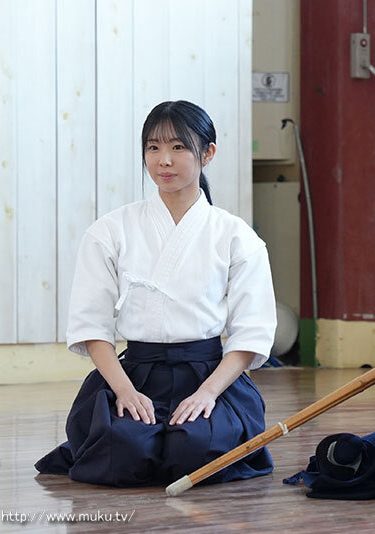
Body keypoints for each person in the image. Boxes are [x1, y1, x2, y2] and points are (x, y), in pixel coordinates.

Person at [35, 100, 277, 487]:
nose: (164, 160)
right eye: (153, 147)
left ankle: (195, 425)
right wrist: (124, 391)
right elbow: (91, 326)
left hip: (208, 374)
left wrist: (208, 393)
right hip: (134, 373)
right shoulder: (110, 230)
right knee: (121, 451)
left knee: (196, 448)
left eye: (178, 147)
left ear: (207, 153)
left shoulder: (236, 236)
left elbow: (251, 333)